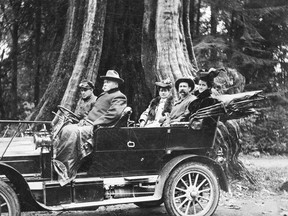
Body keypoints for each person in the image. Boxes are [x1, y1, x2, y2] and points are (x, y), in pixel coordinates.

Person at [54, 70, 127, 185]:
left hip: (99, 128)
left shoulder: (119, 97)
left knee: (72, 132)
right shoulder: (104, 95)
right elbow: (93, 112)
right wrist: (85, 120)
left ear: (115, 83)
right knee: (66, 129)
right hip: (89, 124)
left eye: (107, 82)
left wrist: (93, 124)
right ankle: (60, 164)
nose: (104, 84)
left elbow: (113, 115)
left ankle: (66, 170)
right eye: (104, 81)